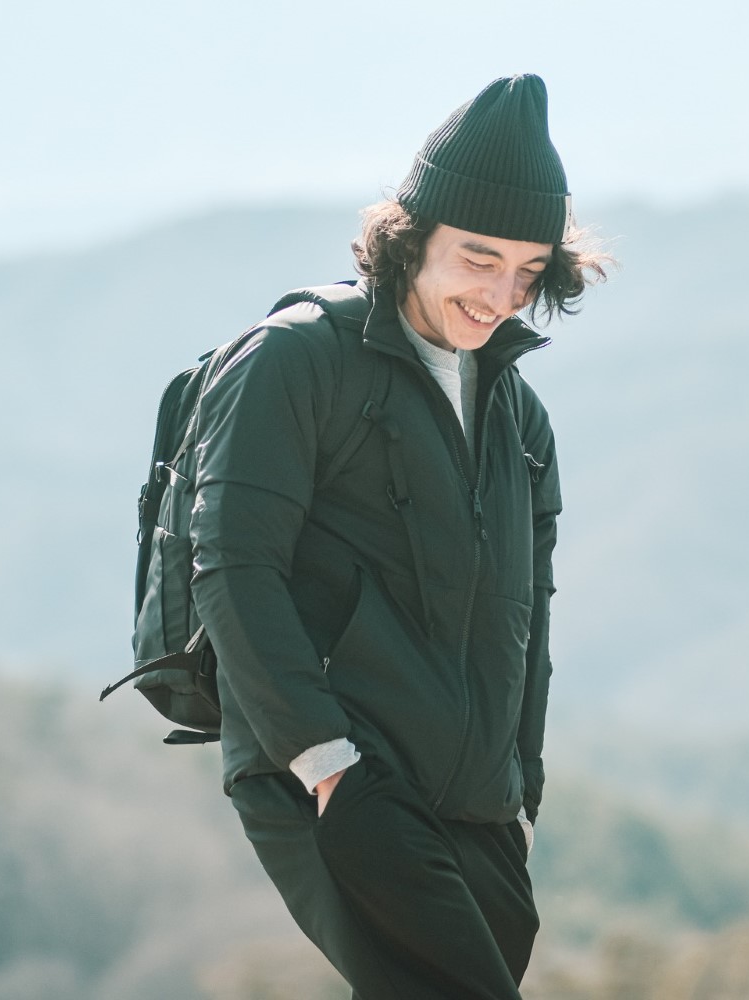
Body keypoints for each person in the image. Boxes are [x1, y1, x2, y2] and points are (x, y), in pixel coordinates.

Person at [189, 73, 607, 999]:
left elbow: (527, 617)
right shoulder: (296, 358)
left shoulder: (519, 418)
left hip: (478, 806)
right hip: (340, 776)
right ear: (410, 237)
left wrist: (519, 790)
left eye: (527, 271)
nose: (500, 294)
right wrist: (326, 764)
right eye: (478, 258)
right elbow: (232, 564)